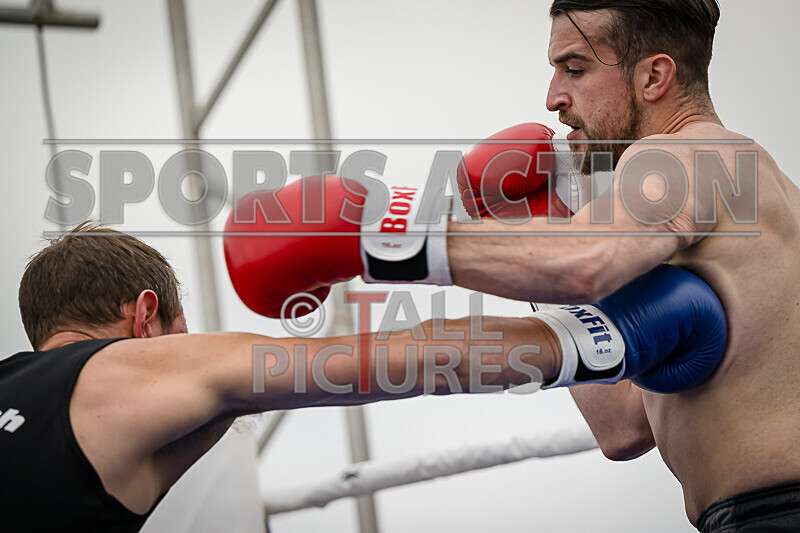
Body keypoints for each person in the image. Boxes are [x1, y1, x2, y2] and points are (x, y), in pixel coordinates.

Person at [224, 1, 800, 531]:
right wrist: (539, 218)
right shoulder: (746, 190)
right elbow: (623, 427)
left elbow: (586, 258)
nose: (552, 97)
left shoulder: (688, 154)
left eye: (574, 69)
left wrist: (376, 233)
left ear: (654, 76)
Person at [0, 221, 725, 530]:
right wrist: (601, 334)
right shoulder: (126, 372)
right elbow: (394, 361)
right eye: (177, 335)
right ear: (145, 315)